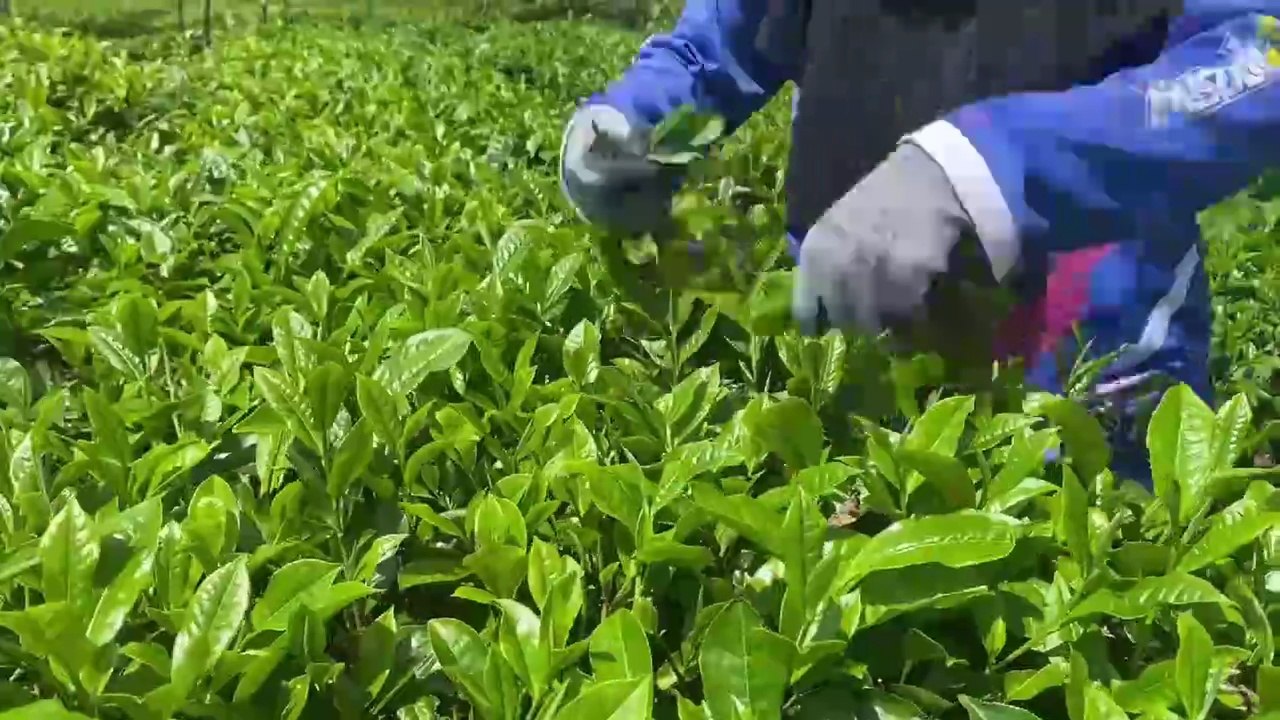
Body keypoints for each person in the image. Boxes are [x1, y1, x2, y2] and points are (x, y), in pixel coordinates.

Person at [559, 0, 1280, 484]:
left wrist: (989, 165)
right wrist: (634, 120)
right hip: (849, 356)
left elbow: (1263, 54)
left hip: (1087, 375)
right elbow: (718, 44)